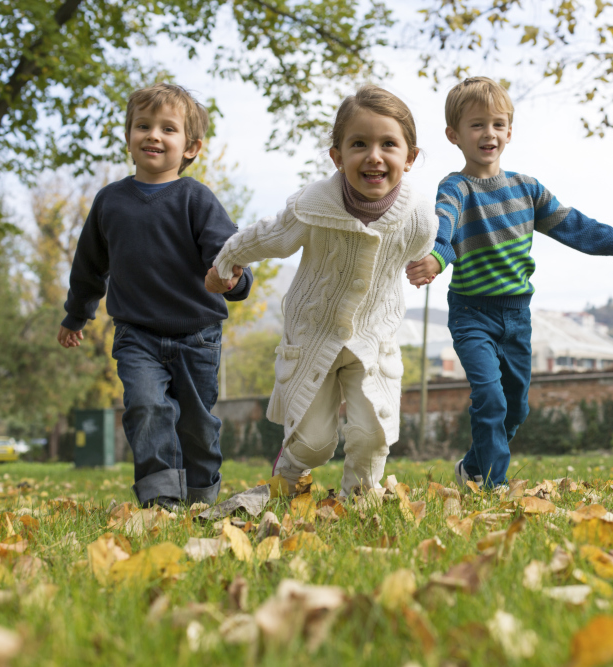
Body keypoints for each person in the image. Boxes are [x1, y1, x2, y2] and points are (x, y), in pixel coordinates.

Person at [405, 76, 613, 489]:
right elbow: (446, 230)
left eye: (498, 124)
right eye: (477, 125)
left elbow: (574, 225)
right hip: (472, 314)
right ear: (454, 135)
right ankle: (494, 484)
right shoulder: (456, 187)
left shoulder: (527, 189)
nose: (489, 133)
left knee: (515, 410)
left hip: (516, 315)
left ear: (509, 131)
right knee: (489, 398)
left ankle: (471, 466)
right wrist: (436, 258)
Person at [211, 85, 437, 497]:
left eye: (389, 144)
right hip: (314, 331)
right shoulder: (313, 206)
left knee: (372, 431)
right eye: (359, 144)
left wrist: (428, 264)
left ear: (410, 157)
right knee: (315, 442)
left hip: (373, 335)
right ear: (337, 157)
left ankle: (359, 499)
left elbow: (423, 249)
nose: (374, 155)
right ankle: (289, 474)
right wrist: (227, 260)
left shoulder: (419, 214)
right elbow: (269, 236)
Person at [59, 82, 253, 508]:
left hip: (197, 335)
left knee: (197, 426)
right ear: (128, 136)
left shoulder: (195, 198)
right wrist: (77, 314)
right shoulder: (110, 201)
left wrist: (233, 280)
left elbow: (230, 255)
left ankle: (201, 497)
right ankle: (160, 500)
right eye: (143, 125)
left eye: (168, 129)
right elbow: (89, 264)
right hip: (137, 336)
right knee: (146, 409)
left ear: (191, 147)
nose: (153, 135)